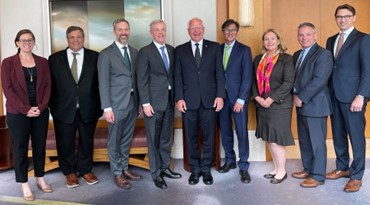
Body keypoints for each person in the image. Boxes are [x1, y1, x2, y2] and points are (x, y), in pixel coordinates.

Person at [48, 26, 102, 188]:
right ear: (67, 39)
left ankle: (85, 170)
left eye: (78, 37)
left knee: (87, 140)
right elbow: (49, 85)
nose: (75, 40)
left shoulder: (95, 57)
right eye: (72, 37)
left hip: (89, 108)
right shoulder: (54, 59)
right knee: (65, 142)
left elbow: (101, 84)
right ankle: (69, 171)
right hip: (63, 109)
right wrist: (52, 106)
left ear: (83, 38)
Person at [1, 29, 52, 201]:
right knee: (20, 148)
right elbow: (8, 90)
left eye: (30, 40)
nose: (27, 43)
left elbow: (47, 86)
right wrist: (25, 109)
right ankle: (23, 183)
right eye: (23, 40)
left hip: (40, 111)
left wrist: (41, 106)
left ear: (34, 42)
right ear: (17, 43)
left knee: (39, 146)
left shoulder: (43, 62)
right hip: (18, 113)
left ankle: (40, 177)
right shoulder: (7, 63)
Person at [174, 17, 225, 186]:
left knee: (209, 137)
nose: (196, 31)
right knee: (191, 137)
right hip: (188, 102)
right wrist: (179, 98)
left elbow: (219, 74)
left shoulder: (215, 47)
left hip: (210, 101)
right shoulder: (179, 50)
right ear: (188, 31)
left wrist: (220, 96)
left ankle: (206, 170)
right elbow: (177, 77)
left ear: (203, 29)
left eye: (199, 27)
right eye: (193, 28)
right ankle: (195, 169)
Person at [325, 4, 370, 193]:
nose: (342, 19)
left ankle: (356, 175)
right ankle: (342, 167)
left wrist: (361, 96)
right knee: (338, 134)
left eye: (346, 16)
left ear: (353, 17)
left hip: (354, 97)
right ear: (335, 18)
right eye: (339, 16)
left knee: (356, 137)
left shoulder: (364, 39)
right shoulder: (331, 40)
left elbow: (368, 70)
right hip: (334, 94)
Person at [136, 19, 181, 189]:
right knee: (153, 139)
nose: (161, 33)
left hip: (169, 101)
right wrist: (145, 103)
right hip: (153, 104)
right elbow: (141, 79)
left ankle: (164, 168)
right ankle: (155, 173)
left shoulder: (171, 50)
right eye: (157, 30)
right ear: (151, 33)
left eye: (163, 29)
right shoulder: (145, 52)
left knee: (165, 138)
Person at [98, 18, 142, 189]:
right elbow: (103, 82)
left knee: (125, 139)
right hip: (115, 105)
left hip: (132, 103)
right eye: (120, 30)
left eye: (126, 29)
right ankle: (117, 173)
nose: (124, 33)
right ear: (114, 31)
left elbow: (136, 79)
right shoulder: (106, 54)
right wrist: (107, 108)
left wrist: (139, 102)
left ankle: (124, 168)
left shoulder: (134, 51)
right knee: (114, 140)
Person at [291, 22, 333, 188]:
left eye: (308, 34)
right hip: (300, 104)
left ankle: (318, 175)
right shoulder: (296, 55)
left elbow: (319, 80)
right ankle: (308, 169)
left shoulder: (324, 54)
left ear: (315, 36)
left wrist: (300, 97)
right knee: (305, 140)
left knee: (317, 143)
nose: (304, 38)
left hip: (315, 105)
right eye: (301, 34)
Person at [251, 29, 295, 184]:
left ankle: (282, 171)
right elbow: (253, 81)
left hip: (279, 105)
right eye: (266, 39)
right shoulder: (258, 59)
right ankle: (276, 168)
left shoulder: (286, 59)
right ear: (263, 42)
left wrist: (270, 99)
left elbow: (288, 82)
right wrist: (257, 98)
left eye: (273, 39)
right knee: (269, 138)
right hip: (261, 104)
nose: (269, 42)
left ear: (278, 41)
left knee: (277, 139)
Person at [218, 19, 253, 184]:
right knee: (225, 131)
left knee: (241, 133)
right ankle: (230, 160)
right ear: (223, 32)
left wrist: (241, 99)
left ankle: (244, 166)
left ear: (237, 32)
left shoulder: (244, 50)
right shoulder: (217, 50)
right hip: (221, 99)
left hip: (238, 99)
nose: (229, 33)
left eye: (232, 30)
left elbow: (247, 77)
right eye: (226, 30)